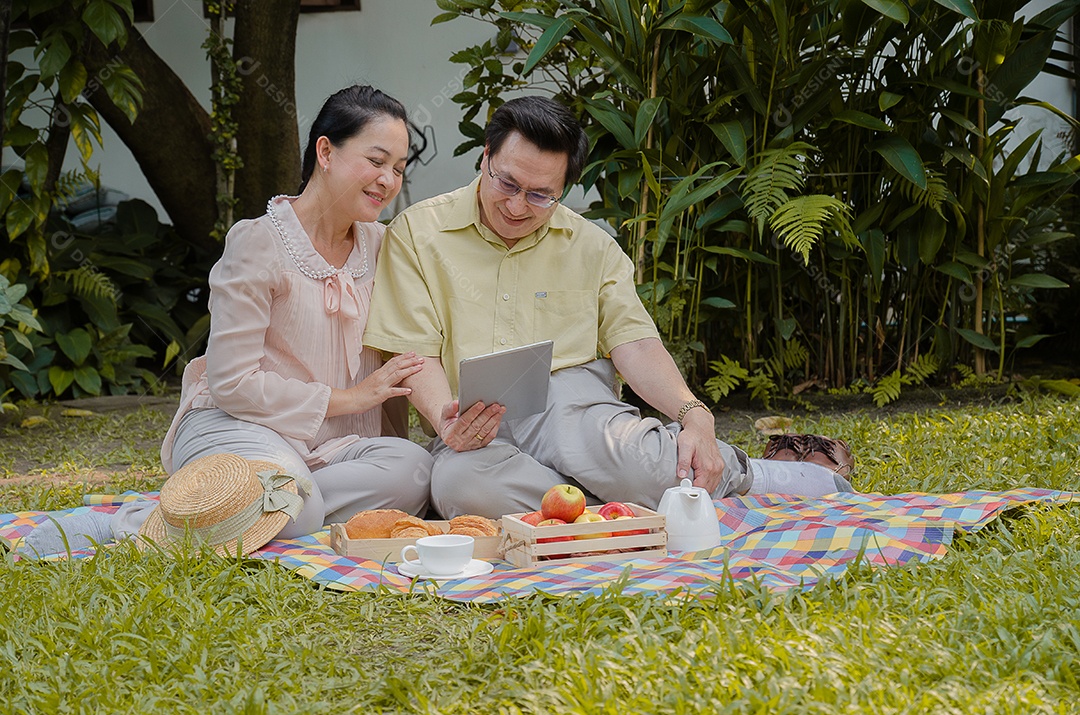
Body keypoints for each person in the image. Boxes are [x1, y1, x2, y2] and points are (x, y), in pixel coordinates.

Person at [362, 95, 854, 520]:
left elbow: (634, 344)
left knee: (608, 448)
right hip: (471, 421)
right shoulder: (417, 233)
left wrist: (695, 415)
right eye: (507, 184)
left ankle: (754, 473)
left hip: (570, 407)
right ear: (485, 157)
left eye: (540, 196)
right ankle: (625, 500)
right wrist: (447, 424)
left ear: (565, 189)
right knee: (459, 487)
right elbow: (414, 354)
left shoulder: (592, 246)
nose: (516, 207)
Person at [21, 85, 432, 557]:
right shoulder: (259, 243)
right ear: (326, 152)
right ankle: (132, 524)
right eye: (377, 161)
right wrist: (352, 398)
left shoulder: (382, 246)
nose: (388, 179)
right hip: (238, 425)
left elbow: (397, 359)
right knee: (297, 503)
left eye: (399, 169)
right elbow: (233, 382)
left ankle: (244, 505)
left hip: (331, 446)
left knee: (415, 470)